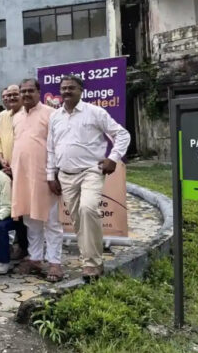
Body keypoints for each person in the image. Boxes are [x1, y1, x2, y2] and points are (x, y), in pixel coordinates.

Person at [47, 75, 130, 280]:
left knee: (88, 208)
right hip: (65, 175)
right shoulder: (55, 117)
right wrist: (51, 174)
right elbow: (51, 148)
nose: (67, 91)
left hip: (91, 171)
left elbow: (122, 134)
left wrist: (113, 158)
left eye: (71, 88)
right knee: (77, 219)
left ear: (81, 90)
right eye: (64, 88)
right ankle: (91, 261)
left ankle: (92, 262)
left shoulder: (95, 112)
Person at [10, 79, 62, 282]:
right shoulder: (16, 117)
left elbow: (56, 146)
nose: (26, 94)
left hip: (44, 176)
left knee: (51, 220)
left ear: (39, 92)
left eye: (30, 90)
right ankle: (35, 258)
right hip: (22, 176)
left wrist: (53, 174)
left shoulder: (51, 114)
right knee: (31, 220)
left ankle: (55, 262)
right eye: (23, 91)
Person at [0, 85, 21, 176]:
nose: (11, 98)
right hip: (6, 167)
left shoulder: (28, 114)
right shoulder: (3, 115)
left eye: (15, 94)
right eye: (8, 95)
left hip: (23, 167)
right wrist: (1, 159)